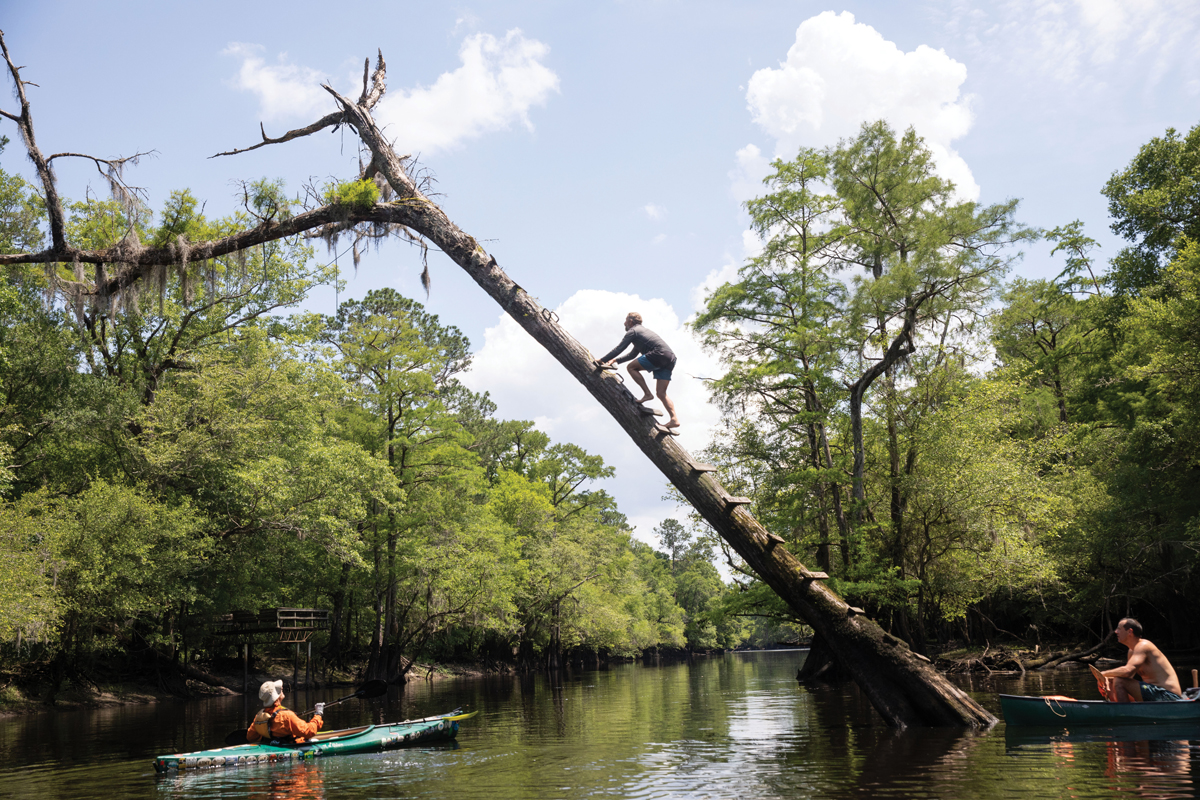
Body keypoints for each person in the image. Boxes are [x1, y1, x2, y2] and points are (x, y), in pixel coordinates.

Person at [598, 312, 680, 429]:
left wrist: (602, 360)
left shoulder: (633, 331)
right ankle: (674, 419)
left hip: (660, 354)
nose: (624, 323)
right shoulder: (641, 334)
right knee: (661, 394)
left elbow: (620, 348)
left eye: (625, 320)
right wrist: (615, 360)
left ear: (630, 321)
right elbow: (632, 354)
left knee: (631, 367)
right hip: (670, 358)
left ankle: (647, 394)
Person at [1094, 618, 1184, 702]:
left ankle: (1123, 713)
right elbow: (1128, 677)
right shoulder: (1131, 651)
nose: (1116, 631)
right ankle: (1118, 711)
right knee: (1111, 682)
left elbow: (1127, 671)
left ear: (1130, 631)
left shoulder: (1143, 645)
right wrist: (1104, 679)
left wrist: (1102, 674)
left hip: (1168, 696)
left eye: (1119, 629)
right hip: (1154, 693)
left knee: (1119, 681)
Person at [245, 679, 326, 744]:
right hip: (290, 749)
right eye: (279, 690)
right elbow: (309, 731)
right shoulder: (287, 716)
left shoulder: (259, 716)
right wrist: (318, 714)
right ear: (276, 697)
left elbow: (250, 737)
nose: (281, 689)